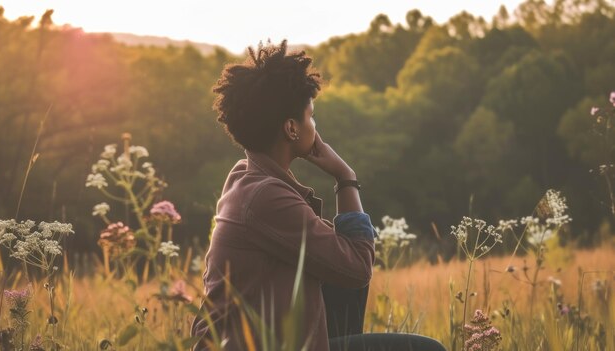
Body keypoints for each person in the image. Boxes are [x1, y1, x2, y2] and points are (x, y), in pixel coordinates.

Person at [191, 40, 445, 351]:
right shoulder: (265, 198)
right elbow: (357, 266)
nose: (314, 124)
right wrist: (345, 177)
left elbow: (339, 264)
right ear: (291, 128)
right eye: (310, 116)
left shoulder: (245, 178)